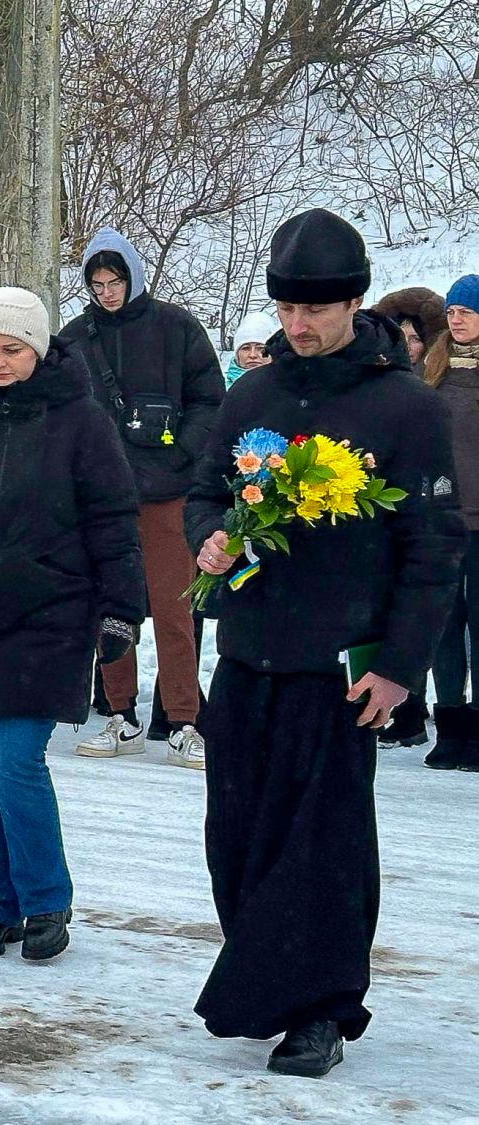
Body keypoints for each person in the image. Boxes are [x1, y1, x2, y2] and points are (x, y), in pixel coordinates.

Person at [187, 208, 464, 1077]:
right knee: (237, 835)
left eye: (315, 310)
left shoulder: (403, 406)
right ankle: (268, 985)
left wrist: (398, 668)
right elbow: (204, 491)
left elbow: (434, 549)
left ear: (352, 302)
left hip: (341, 669)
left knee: (325, 849)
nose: (297, 326)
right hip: (249, 654)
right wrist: (210, 537)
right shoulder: (251, 394)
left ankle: (324, 1010)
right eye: (285, 308)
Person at [0, 287, 145, 964]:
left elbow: (113, 518)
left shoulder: (81, 421)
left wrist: (121, 608)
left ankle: (45, 898)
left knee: (14, 763)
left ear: (38, 349)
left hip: (47, 611)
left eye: (11, 349)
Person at [60, 228, 222, 768]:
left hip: (167, 494)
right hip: (102, 499)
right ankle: (119, 717)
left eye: (116, 280)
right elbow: (57, 413)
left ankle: (183, 721)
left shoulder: (176, 328)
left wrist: (184, 455)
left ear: (134, 276)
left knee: (176, 612)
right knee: (112, 610)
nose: (106, 292)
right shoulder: (75, 339)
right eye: (97, 282)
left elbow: (208, 400)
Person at [371, 286, 449, 749]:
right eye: (398, 337)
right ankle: (402, 710)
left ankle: (418, 706)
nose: (406, 345)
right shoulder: (380, 387)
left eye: (414, 338)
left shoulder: (430, 389)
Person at [420, 274, 479, 771]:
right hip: (440, 519)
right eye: (452, 312)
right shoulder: (431, 368)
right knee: (442, 625)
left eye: (466, 311)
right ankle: (452, 727)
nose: (456, 319)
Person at [225, 311, 277, 389]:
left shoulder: (290, 391)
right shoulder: (219, 393)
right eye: (246, 348)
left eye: (261, 349)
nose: (252, 355)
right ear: (237, 355)